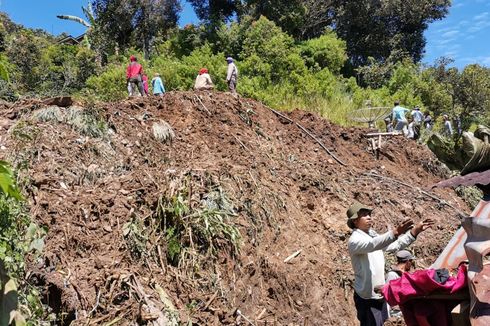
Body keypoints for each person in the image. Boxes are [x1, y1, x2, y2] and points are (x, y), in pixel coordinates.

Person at [346, 201, 434, 326]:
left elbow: (393, 245)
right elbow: (373, 245)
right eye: (364, 215)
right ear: (355, 221)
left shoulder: (372, 235)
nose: (369, 217)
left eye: (369, 214)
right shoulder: (355, 240)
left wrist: (414, 232)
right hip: (367, 298)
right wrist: (395, 232)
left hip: (379, 295)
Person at [385, 250, 416, 317]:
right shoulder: (392, 275)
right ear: (408, 262)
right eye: (411, 261)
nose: (411, 264)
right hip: (395, 312)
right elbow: (388, 295)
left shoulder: (404, 274)